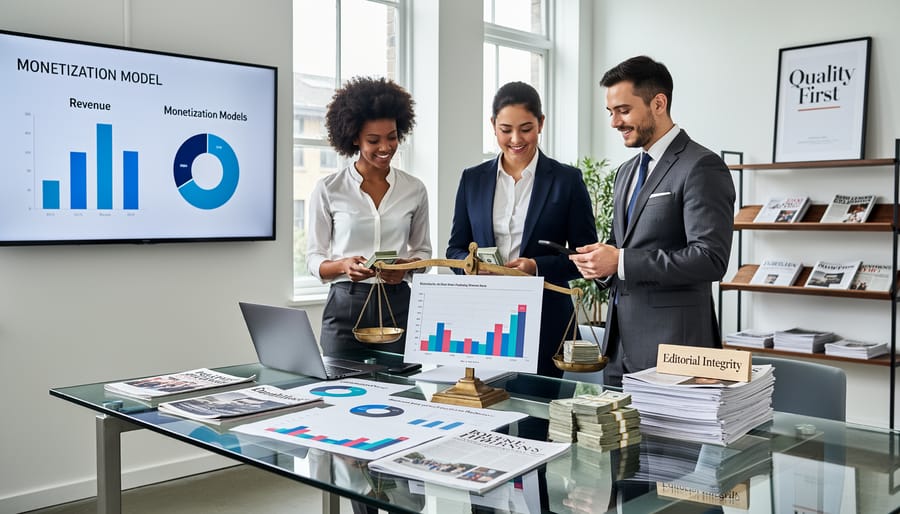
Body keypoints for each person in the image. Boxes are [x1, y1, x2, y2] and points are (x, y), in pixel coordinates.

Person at [570, 55, 736, 388]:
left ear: (658, 103)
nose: (615, 122)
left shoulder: (702, 166)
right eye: (611, 112)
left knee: (673, 443)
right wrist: (602, 265)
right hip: (618, 350)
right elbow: (624, 249)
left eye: (624, 110)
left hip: (678, 348)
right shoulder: (626, 172)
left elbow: (710, 259)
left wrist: (621, 261)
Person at [447, 81, 597, 378]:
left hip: (546, 319)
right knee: (488, 413)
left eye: (526, 128)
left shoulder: (567, 180)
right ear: (493, 125)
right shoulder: (472, 179)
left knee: (536, 418)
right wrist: (469, 267)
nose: (516, 139)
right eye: (506, 130)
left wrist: (535, 267)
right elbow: (455, 248)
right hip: (485, 320)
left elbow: (584, 257)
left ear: (541, 123)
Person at [307, 76, 431, 358]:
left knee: (401, 394)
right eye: (373, 140)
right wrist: (343, 265)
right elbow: (313, 260)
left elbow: (424, 252)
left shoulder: (414, 189)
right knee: (336, 389)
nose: (386, 148)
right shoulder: (329, 189)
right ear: (354, 138)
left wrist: (406, 267)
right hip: (345, 306)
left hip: (398, 305)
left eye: (392, 137)